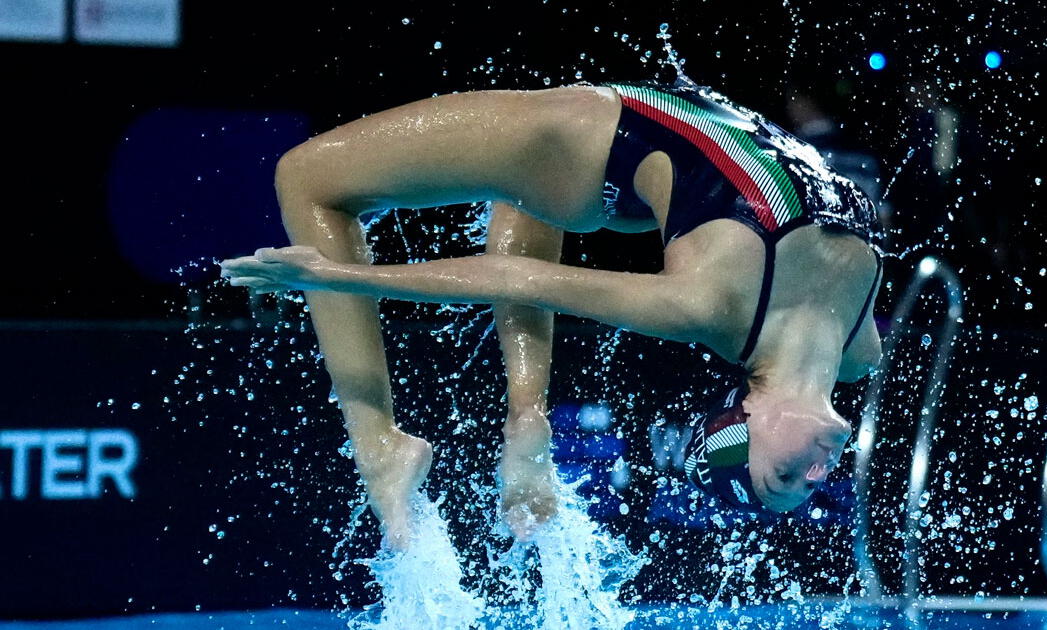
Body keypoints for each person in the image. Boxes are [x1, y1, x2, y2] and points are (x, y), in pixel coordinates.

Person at [219, 79, 884, 550]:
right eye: (805, 481)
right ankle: (525, 420)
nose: (820, 472)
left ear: (747, 421)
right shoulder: (860, 349)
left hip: (599, 138)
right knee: (526, 198)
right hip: (642, 171)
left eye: (787, 476)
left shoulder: (707, 306)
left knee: (306, 178)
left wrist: (333, 275)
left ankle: (380, 449)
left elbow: (519, 277)